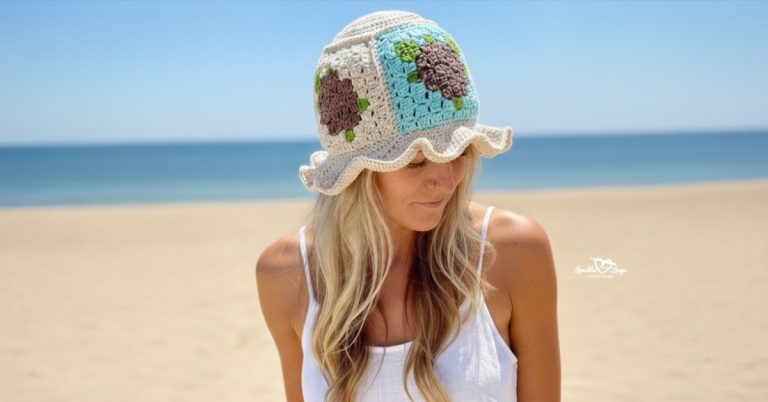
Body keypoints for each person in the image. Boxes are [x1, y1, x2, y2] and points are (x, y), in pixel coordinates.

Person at [256, 10, 560, 402]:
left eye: (458, 151)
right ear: (358, 173)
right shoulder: (286, 275)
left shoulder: (514, 252)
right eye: (415, 161)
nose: (447, 180)